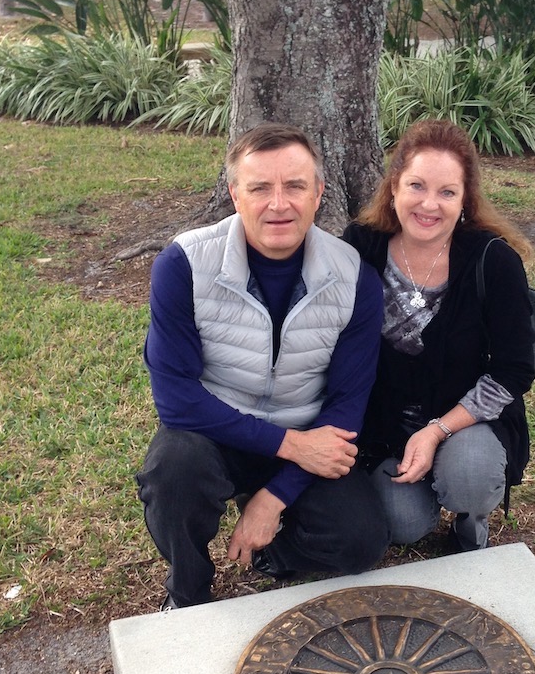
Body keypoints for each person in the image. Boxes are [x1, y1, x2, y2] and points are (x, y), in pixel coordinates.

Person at [137, 123, 388, 608]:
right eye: (259, 188)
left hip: (308, 427)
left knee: (361, 540)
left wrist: (273, 497)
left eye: (295, 186)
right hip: (215, 432)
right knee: (173, 470)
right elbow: (177, 401)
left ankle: (267, 554)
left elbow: (347, 403)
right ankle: (187, 591)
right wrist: (291, 446)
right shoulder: (183, 265)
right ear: (234, 194)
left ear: (318, 193)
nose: (279, 204)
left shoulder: (356, 278)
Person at [343, 118, 535, 552]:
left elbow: (513, 370)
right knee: (402, 523)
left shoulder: (493, 261)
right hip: (385, 428)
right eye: (416, 186)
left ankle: (470, 523)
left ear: (465, 200)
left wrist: (435, 432)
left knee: (469, 476)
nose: (429, 204)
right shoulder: (360, 247)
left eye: (447, 192)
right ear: (393, 188)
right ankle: (416, 496)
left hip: (462, 419)